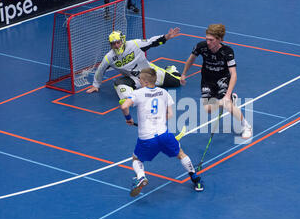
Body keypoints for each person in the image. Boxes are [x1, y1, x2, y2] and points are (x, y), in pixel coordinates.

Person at [120, 68, 204, 197]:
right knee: (181, 154)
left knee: (136, 158)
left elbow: (124, 106)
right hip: (164, 135)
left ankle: (141, 177)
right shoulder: (164, 93)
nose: (139, 81)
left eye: (140, 79)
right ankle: (196, 179)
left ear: (145, 81)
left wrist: (128, 119)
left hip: (146, 137)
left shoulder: (138, 93)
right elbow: (170, 115)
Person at [180, 23, 252, 139]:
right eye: (207, 39)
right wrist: (183, 74)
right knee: (208, 109)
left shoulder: (227, 51)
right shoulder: (201, 46)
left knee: (227, 104)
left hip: (222, 80)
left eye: (211, 40)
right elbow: (191, 59)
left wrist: (227, 95)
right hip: (207, 80)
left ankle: (246, 126)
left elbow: (233, 74)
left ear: (220, 39)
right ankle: (231, 99)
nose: (208, 42)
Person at [86, 28, 183, 105]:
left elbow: (151, 42)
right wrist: (96, 85)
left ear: (122, 41)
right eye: (113, 44)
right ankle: (134, 98)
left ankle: (171, 69)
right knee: (119, 84)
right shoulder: (109, 57)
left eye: (118, 42)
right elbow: (100, 70)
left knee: (177, 82)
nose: (116, 45)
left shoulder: (134, 44)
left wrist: (165, 37)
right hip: (135, 79)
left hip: (150, 74)